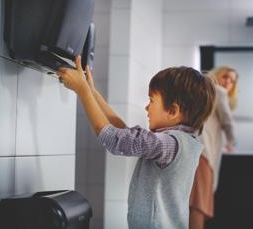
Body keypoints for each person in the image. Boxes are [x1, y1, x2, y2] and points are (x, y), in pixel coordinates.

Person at [56, 56, 216, 229]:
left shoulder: (168, 144)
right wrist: (92, 91)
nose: (147, 107)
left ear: (173, 111)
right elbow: (124, 134)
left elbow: (114, 139)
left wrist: (83, 92)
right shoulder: (183, 142)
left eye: (151, 101)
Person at [189, 66, 238, 229]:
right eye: (226, 77)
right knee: (199, 204)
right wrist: (232, 142)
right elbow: (228, 123)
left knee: (192, 203)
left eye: (232, 81)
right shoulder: (219, 92)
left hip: (194, 150)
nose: (228, 82)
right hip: (204, 153)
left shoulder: (201, 92)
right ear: (217, 75)